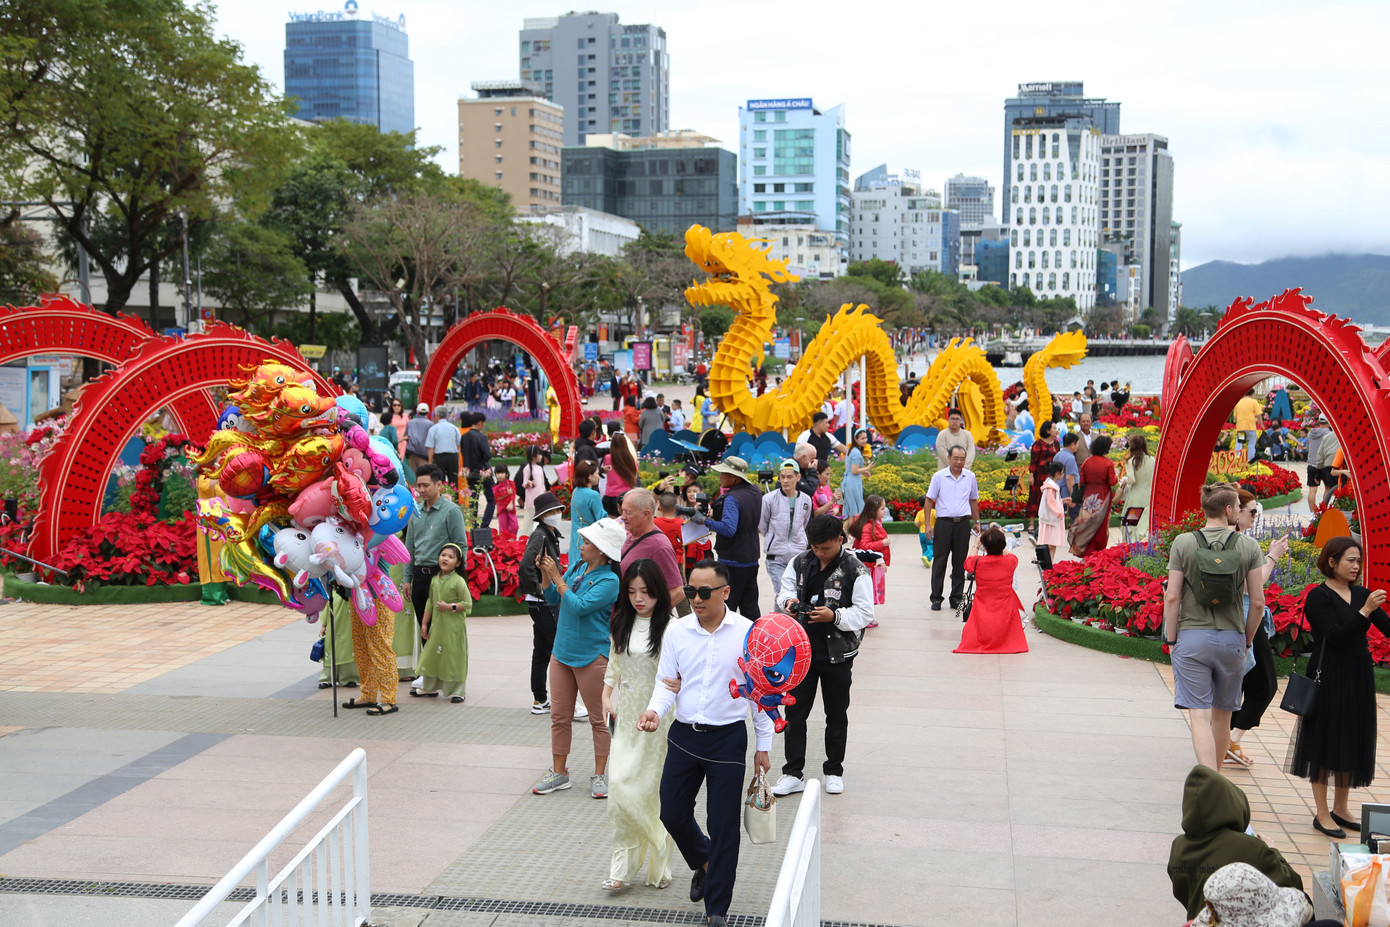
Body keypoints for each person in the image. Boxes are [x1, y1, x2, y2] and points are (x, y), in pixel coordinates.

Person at [638, 560, 773, 927]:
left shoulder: (748, 633)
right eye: (690, 590)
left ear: (725, 592)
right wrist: (653, 711)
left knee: (723, 824)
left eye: (703, 592)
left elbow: (759, 695)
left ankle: (717, 910)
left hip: (728, 740)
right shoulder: (677, 632)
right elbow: (666, 683)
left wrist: (764, 746)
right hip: (683, 736)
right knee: (672, 813)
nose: (694, 598)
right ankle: (705, 861)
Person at [1288, 536, 1390, 837]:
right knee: (1325, 738)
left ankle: (1341, 808)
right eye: (1350, 560)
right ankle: (1322, 813)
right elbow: (1335, 637)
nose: (1356, 566)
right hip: (1329, 674)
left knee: (1352, 736)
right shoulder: (1318, 597)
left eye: (1359, 561)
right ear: (1331, 562)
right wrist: (1364, 613)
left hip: (1358, 673)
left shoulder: (1363, 594)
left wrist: (1368, 609)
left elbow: (1386, 627)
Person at [1163, 483, 1266, 769]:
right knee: (1223, 714)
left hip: (1192, 637)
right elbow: (1258, 602)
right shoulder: (1249, 546)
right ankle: (1218, 779)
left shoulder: (1183, 542)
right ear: (1229, 509)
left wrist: (1172, 640)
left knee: (1199, 715)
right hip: (1232, 639)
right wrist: (1245, 642)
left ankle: (1207, 783)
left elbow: (1172, 596)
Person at [772, 514, 873, 796]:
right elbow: (784, 591)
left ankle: (834, 769)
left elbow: (866, 613)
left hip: (838, 655)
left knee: (836, 713)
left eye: (825, 548)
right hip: (801, 651)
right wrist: (789, 602)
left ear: (840, 540)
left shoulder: (856, 569)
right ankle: (793, 773)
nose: (819, 552)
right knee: (794, 712)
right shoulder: (801, 561)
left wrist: (835, 615)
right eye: (815, 547)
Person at [600, 560, 678, 892]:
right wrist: (606, 696)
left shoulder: (672, 628)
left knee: (650, 792)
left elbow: (678, 677)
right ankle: (623, 866)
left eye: (645, 592)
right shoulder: (622, 621)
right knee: (618, 786)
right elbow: (615, 662)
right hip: (626, 716)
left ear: (659, 591)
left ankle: (659, 856)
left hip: (658, 721)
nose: (638, 599)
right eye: (631, 592)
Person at [533, 518, 624, 797]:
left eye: (586, 543)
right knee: (559, 717)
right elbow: (554, 597)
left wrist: (559, 578)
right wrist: (547, 574)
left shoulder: (610, 580)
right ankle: (559, 773)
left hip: (591, 657)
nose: (581, 546)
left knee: (599, 719)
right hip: (562, 652)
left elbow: (579, 605)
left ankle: (600, 775)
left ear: (602, 550)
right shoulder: (580, 567)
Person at [1167, 766, 1305, 921]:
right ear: (1231, 802)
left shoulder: (1178, 846)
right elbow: (1293, 887)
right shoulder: (1252, 848)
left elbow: (1181, 891)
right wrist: (1273, 851)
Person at [1226, 489, 1287, 768]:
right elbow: (1254, 587)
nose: (1254, 516)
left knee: (1237, 687)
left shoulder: (1211, 539)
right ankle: (1230, 739)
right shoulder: (1237, 541)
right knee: (1264, 685)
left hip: (1224, 621)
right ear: (1234, 510)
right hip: (1246, 618)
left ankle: (1226, 740)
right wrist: (1272, 556)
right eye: (1251, 511)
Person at [403, 463, 468, 638]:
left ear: (439, 485)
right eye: (418, 486)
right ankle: (429, 666)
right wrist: (407, 579)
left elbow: (461, 546)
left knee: (443, 632)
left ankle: (446, 666)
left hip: (441, 577)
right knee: (425, 632)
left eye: (426, 485)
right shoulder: (415, 511)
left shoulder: (451, 511)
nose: (421, 490)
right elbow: (409, 547)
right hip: (420, 578)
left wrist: (456, 580)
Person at [696, 456, 763, 619]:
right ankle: (755, 641)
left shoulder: (733, 498)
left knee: (727, 608)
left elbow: (728, 528)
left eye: (723, 473)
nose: (720, 477)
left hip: (732, 561)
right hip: (751, 557)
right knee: (750, 608)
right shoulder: (755, 490)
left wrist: (705, 520)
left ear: (734, 477)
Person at [519, 492, 566, 716]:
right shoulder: (539, 536)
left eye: (557, 511)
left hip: (540, 601)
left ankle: (540, 699)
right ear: (542, 516)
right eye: (551, 512)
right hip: (541, 603)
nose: (556, 515)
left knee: (542, 650)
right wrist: (541, 591)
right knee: (557, 649)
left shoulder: (549, 534)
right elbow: (526, 566)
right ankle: (558, 699)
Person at [413, 542, 473, 703]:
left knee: (453, 656)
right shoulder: (434, 580)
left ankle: (457, 691)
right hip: (437, 627)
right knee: (433, 654)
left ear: (458, 563)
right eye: (443, 555)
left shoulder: (458, 581)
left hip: (453, 628)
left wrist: (449, 606)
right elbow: (430, 603)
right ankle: (429, 687)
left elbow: (468, 604)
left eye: (451, 557)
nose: (445, 559)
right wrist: (425, 624)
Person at [954, 525, 1028, 654]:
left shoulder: (978, 562)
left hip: (983, 603)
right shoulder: (1010, 561)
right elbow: (1009, 555)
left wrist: (976, 544)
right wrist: (998, 542)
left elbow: (967, 562)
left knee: (983, 625)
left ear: (985, 547)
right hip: (1005, 604)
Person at [923, 446, 980, 612]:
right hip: (943, 524)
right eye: (955, 458)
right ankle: (936, 598)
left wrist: (977, 521)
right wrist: (928, 524)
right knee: (940, 561)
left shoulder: (970, 477)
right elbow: (929, 500)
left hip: (963, 524)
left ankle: (956, 598)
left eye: (962, 458)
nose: (959, 462)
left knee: (959, 563)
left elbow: (973, 500)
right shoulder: (939, 476)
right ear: (949, 458)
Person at [619, 488, 687, 612]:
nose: (623, 517)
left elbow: (678, 591)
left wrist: (646, 618)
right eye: (622, 511)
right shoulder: (632, 534)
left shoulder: (659, 546)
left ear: (646, 514)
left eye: (628, 512)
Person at [759, 459, 814, 596]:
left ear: (798, 477)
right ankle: (780, 618)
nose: (785, 481)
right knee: (781, 593)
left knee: (798, 593)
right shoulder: (769, 499)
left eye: (789, 477)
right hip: (776, 556)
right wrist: (774, 537)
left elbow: (805, 522)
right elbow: (762, 523)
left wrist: (800, 540)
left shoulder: (806, 499)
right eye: (782, 477)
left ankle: (793, 618)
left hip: (797, 554)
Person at [1069, 434, 1117, 557]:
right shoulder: (1108, 463)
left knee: (1086, 524)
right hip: (1102, 499)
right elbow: (1112, 482)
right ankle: (1097, 553)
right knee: (1100, 526)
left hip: (1088, 498)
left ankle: (1085, 550)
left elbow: (1082, 481)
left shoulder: (1087, 462)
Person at [1116, 432, 1154, 542]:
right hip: (1148, 496)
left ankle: (1130, 550)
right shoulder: (1152, 459)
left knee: (1132, 525)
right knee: (1145, 525)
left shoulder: (1131, 461)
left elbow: (1132, 479)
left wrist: (1124, 481)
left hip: (1136, 498)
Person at [569, 459, 606, 564]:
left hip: (576, 539)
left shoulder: (576, 492)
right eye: (597, 474)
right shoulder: (593, 495)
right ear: (589, 476)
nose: (598, 476)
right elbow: (602, 518)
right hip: (589, 539)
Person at [1024, 421, 1057, 537]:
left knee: (1051, 498)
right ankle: (1032, 523)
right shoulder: (1038, 444)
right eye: (1054, 428)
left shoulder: (1056, 443)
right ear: (1048, 430)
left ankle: (1047, 523)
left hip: (1052, 476)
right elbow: (1033, 461)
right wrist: (1031, 475)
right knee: (1035, 497)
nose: (1056, 430)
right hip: (1039, 476)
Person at [516, 445, 551, 536]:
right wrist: (528, 483)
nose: (541, 456)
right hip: (531, 499)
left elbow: (542, 485)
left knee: (540, 519)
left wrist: (544, 495)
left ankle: (538, 537)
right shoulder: (527, 469)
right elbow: (524, 483)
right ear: (533, 456)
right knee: (529, 519)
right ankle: (526, 537)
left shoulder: (539, 468)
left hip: (540, 498)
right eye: (539, 454)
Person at [679, 482, 713, 574]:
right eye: (689, 491)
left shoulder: (705, 507)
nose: (691, 494)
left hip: (702, 547)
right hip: (688, 547)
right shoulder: (683, 507)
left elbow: (708, 515)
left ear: (701, 493)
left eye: (695, 491)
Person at [1037, 461, 1067, 563]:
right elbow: (1051, 501)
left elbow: (1053, 500)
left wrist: (1063, 501)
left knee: (1051, 544)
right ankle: (1048, 563)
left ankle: (1049, 563)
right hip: (1052, 519)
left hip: (1050, 518)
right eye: (1062, 472)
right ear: (1057, 473)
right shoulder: (1051, 487)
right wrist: (1059, 513)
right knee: (1051, 543)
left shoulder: (1049, 484)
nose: (1063, 475)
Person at [603, 433, 639, 518]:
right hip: (626, 495)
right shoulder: (630, 459)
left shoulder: (607, 458)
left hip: (610, 494)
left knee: (612, 524)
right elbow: (635, 477)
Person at [840, 428, 872, 520]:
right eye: (862, 438)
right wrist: (868, 468)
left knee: (852, 510)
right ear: (856, 439)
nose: (865, 440)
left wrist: (864, 472)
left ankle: (848, 531)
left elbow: (851, 469)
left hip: (850, 481)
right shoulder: (856, 452)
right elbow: (854, 470)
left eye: (865, 438)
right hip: (853, 483)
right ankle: (851, 531)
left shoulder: (852, 450)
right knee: (855, 511)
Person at [425, 405, 462, 484]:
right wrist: (458, 458)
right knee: (453, 480)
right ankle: (454, 496)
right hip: (453, 457)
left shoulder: (434, 429)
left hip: (439, 457)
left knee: (440, 480)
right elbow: (459, 445)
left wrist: (430, 461)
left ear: (437, 416)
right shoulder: (454, 428)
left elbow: (431, 447)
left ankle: (442, 495)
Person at [1305, 416, 1332, 512]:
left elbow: (1308, 447)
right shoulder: (1329, 434)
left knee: (1312, 490)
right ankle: (1323, 511)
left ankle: (1312, 513)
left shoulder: (1310, 433)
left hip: (1311, 464)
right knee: (1328, 488)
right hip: (1324, 465)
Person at [1053, 432, 1081, 516]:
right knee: (1075, 519)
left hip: (1059, 490)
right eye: (1077, 444)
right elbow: (1069, 478)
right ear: (1072, 445)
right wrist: (1074, 496)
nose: (1077, 447)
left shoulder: (1058, 455)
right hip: (1067, 493)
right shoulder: (1070, 458)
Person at [1233, 388, 1263, 462]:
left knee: (1240, 443)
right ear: (1252, 394)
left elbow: (1235, 417)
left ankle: (1237, 459)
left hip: (1241, 427)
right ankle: (1250, 460)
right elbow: (1259, 415)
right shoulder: (1254, 402)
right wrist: (1261, 425)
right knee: (1251, 444)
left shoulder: (1238, 402)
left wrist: (1240, 422)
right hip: (1251, 427)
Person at [492, 463, 519, 538]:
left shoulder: (511, 483)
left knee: (515, 526)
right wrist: (507, 493)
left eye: (502, 473)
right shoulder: (495, 487)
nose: (500, 475)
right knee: (503, 528)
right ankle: (504, 543)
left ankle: (512, 539)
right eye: (498, 473)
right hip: (501, 510)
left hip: (511, 509)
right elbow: (497, 498)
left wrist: (511, 503)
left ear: (506, 474)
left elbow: (513, 494)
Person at [405, 403, 433, 472]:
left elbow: (406, 436)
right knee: (423, 476)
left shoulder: (410, 423)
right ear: (428, 412)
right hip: (424, 455)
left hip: (412, 454)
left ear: (417, 412)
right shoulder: (430, 424)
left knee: (413, 478)